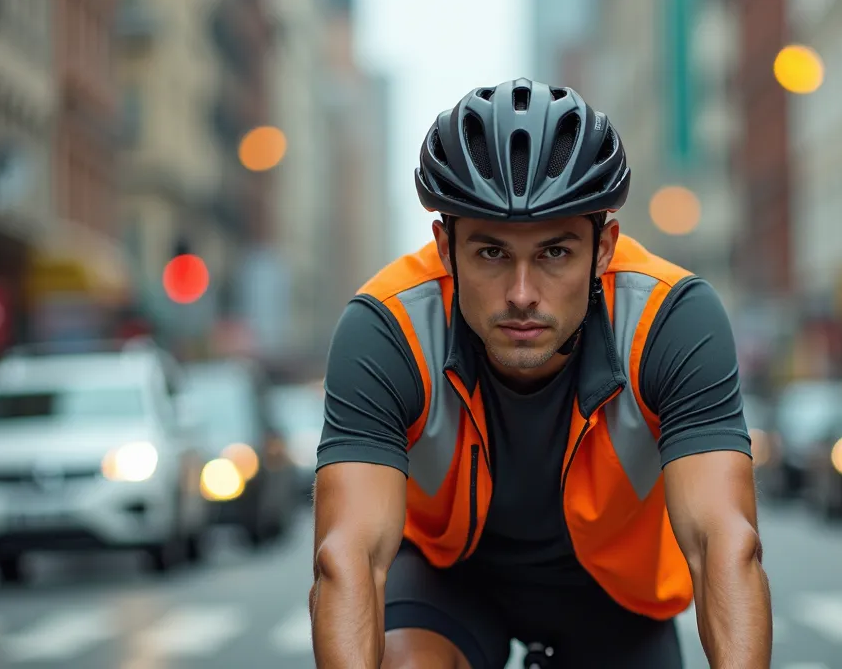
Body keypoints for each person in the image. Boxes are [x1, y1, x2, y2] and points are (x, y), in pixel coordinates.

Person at [309, 78, 771, 669]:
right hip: (444, 579)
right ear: (445, 248)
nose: (522, 294)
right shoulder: (387, 327)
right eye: (491, 253)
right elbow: (348, 557)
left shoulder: (670, 319)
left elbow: (723, 545)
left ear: (604, 247)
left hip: (614, 598)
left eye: (555, 252)